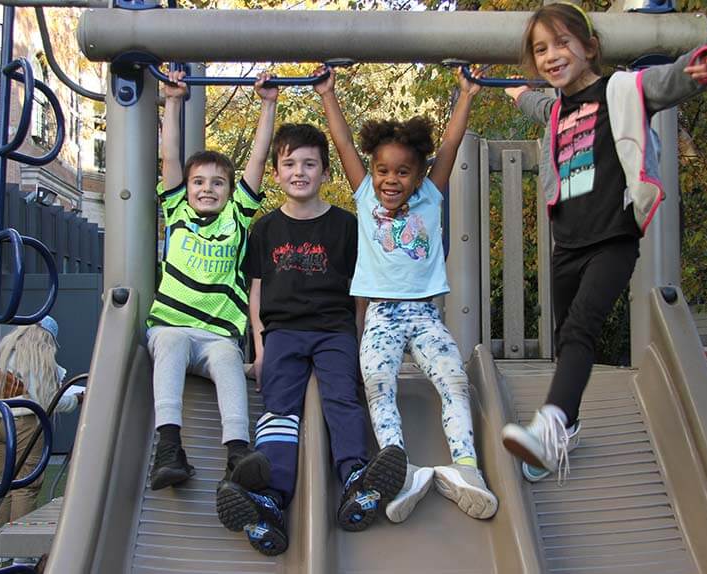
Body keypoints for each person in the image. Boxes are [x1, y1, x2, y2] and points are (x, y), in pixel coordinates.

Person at [499, 2, 707, 483]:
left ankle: (549, 425)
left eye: (562, 43)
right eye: (540, 50)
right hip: (568, 243)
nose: (551, 55)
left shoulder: (620, 91)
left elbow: (661, 85)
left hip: (613, 240)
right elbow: (540, 105)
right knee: (565, 337)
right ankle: (568, 425)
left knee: (581, 329)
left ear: (590, 47)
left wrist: (693, 68)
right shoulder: (557, 108)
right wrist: (516, 92)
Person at [315, 66, 499, 523]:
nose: (390, 179)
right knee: (378, 387)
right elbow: (341, 144)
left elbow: (451, 145)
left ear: (418, 176)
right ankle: (400, 468)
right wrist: (327, 95)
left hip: (424, 316)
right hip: (380, 316)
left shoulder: (430, 197)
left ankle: (466, 469)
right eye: (382, 170)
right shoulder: (364, 198)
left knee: (454, 379)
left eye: (402, 172)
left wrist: (467, 95)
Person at [217, 123, 407, 556]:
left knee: (342, 396)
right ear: (277, 174)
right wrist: (260, 349)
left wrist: (359, 342)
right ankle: (270, 499)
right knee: (279, 408)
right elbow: (257, 291)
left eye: (309, 164)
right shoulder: (264, 230)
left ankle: (357, 479)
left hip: (333, 330)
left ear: (325, 173)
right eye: (289, 164)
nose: (299, 172)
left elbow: (360, 291)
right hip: (282, 332)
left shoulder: (345, 226)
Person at [145, 68, 278, 516]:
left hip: (219, 334)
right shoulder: (177, 209)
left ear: (228, 191)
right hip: (174, 325)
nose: (207, 189)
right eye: (199, 182)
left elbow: (258, 162)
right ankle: (169, 446)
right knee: (169, 341)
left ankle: (237, 452)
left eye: (217, 183)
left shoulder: (237, 219)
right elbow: (168, 161)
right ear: (188, 188)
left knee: (226, 359)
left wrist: (268, 105)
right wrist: (173, 101)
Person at [0, 316, 82, 529]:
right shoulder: (36, 356)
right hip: (25, 422)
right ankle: (18, 550)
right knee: (26, 485)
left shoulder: (5, 352)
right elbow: (49, 400)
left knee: (4, 484)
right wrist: (76, 399)